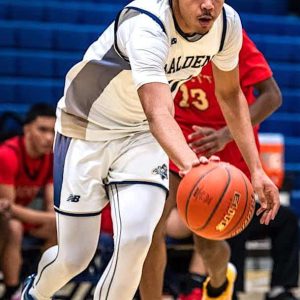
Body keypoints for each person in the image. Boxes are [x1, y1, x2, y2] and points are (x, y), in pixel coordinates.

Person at [21, 1, 280, 299]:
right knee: (74, 257)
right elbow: (158, 110)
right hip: (87, 128)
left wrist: (257, 169)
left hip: (142, 134)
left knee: (138, 240)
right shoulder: (146, 23)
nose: (208, 4)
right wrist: (194, 167)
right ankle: (35, 292)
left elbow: (230, 94)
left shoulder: (226, 24)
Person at [140, 29, 283, 300]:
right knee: (151, 230)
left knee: (207, 241)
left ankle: (219, 282)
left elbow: (272, 96)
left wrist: (225, 135)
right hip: (177, 139)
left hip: (225, 149)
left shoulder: (229, 34)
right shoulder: (159, 33)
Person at [0, 103, 56, 300]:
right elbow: (7, 209)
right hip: (5, 220)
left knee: (61, 229)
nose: (49, 138)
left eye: (53, 131)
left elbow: (51, 204)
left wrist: (53, 219)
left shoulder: (50, 158)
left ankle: (38, 285)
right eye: (43, 130)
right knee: (14, 226)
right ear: (27, 129)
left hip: (21, 216)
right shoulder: (7, 154)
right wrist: (52, 218)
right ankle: (12, 290)